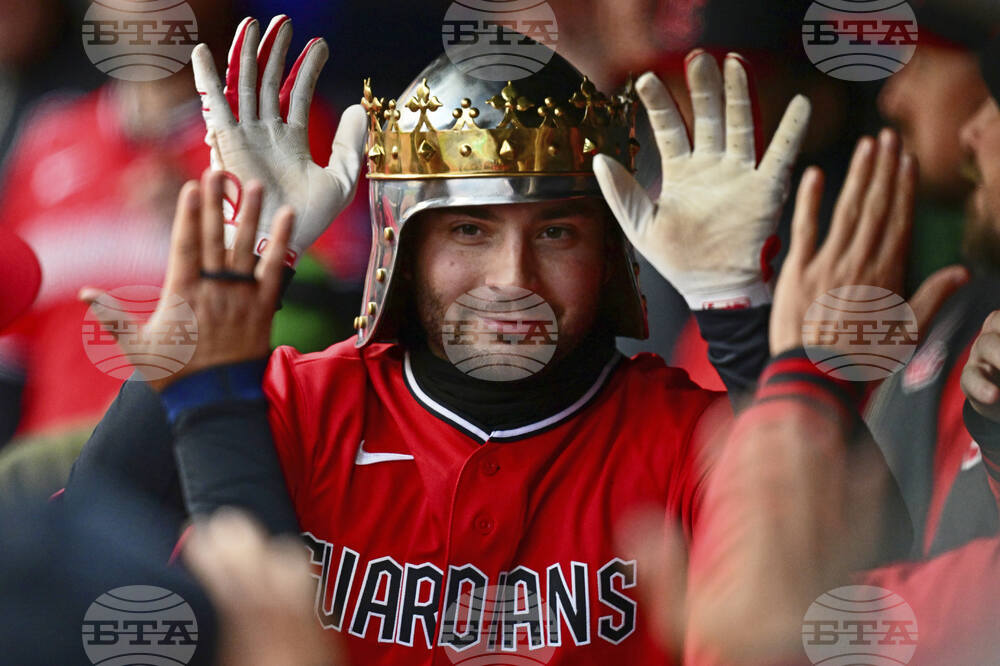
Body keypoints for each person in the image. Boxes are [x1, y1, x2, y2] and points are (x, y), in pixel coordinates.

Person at [69, 16, 947, 664]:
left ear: (610, 252)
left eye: (558, 232)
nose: (514, 278)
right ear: (403, 248)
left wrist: (737, 313)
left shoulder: (687, 436)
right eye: (470, 231)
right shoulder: (303, 401)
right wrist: (254, 267)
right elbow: (76, 546)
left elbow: (865, 594)